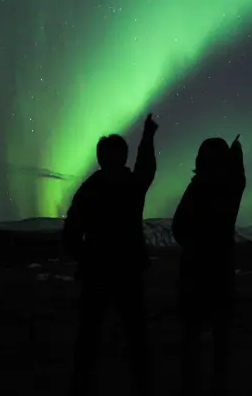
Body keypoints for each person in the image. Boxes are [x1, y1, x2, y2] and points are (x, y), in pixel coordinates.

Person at [61, 113, 159, 396]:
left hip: (98, 271)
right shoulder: (131, 185)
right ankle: (142, 385)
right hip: (127, 269)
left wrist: (84, 256)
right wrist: (148, 136)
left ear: (101, 157)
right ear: (121, 156)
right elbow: (146, 169)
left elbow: (72, 229)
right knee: (135, 332)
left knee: (90, 332)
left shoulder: (90, 189)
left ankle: (81, 384)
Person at [172, 134, 246, 395]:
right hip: (220, 270)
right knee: (221, 334)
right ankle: (218, 385)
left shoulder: (197, 187)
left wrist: (194, 243)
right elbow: (240, 179)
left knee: (192, 334)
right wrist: (236, 153)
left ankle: (190, 385)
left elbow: (178, 226)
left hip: (195, 269)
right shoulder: (230, 187)